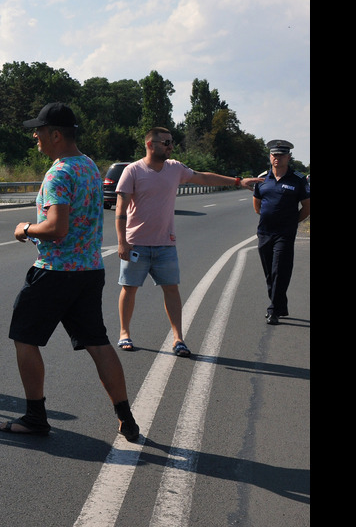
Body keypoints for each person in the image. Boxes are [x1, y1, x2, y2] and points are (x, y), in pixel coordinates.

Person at [0, 102, 139, 442]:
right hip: (89, 269)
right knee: (98, 343)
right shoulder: (90, 166)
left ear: (55, 135)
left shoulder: (59, 173)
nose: (35, 136)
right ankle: (125, 416)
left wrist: (26, 229)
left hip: (55, 271)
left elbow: (57, 227)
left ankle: (35, 417)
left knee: (24, 338)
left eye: (39, 131)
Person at [113, 127, 260, 357]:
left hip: (165, 244)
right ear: (151, 144)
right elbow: (120, 210)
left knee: (171, 290)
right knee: (129, 289)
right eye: (167, 142)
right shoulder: (132, 171)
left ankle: (178, 338)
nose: (171, 146)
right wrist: (122, 242)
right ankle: (124, 333)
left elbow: (202, 177)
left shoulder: (175, 168)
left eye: (172, 142)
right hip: (136, 244)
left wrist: (237, 181)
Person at [252, 139, 310, 325]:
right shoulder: (262, 178)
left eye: (281, 155)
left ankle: (273, 310)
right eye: (274, 155)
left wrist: (293, 222)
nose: (277, 158)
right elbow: (257, 205)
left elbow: (307, 206)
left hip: (285, 233)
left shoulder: (298, 179)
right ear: (270, 157)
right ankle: (280, 305)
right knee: (270, 272)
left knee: (280, 270)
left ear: (289, 157)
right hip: (265, 232)